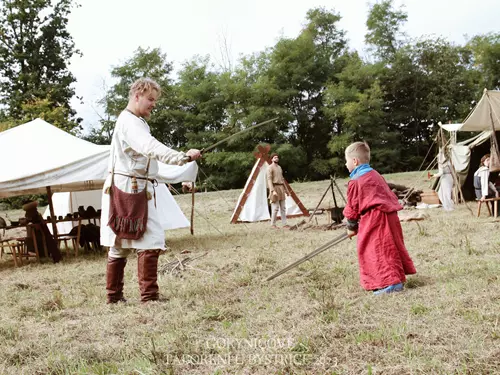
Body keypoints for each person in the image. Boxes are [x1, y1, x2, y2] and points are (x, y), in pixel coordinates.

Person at [101, 77, 201, 304]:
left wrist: (182, 161)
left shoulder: (136, 121)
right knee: (147, 240)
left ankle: (117, 297)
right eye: (150, 99)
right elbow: (150, 147)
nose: (153, 104)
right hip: (129, 191)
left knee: (122, 245)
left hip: (133, 187)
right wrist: (179, 156)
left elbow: (151, 164)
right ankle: (146, 297)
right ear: (137, 95)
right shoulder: (129, 122)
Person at [343, 142, 416, 295]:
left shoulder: (356, 180)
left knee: (376, 249)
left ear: (355, 161)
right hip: (390, 216)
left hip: (375, 218)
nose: (345, 164)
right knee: (389, 247)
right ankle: (393, 278)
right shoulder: (375, 174)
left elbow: (353, 205)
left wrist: (351, 226)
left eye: (346, 160)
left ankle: (391, 283)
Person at [267, 153, 290, 229]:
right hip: (275, 187)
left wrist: (286, 190)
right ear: (272, 159)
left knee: (283, 208)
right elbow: (269, 179)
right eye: (274, 157)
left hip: (281, 188)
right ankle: (273, 224)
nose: (276, 158)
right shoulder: (270, 167)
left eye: (277, 157)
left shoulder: (279, 167)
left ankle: (284, 224)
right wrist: (272, 190)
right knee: (275, 208)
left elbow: (282, 179)